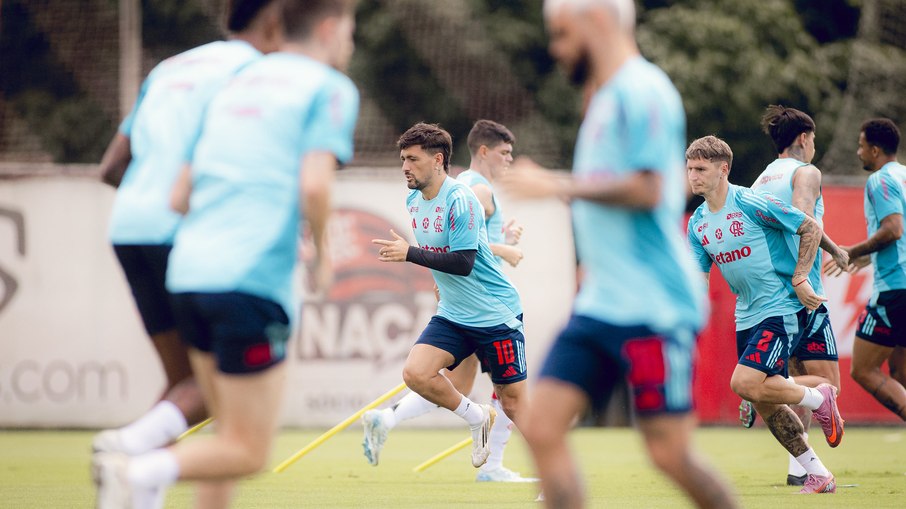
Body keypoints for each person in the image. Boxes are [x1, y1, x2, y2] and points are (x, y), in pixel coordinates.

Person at [92, 1, 359, 507]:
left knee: (222, 431)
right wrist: (321, 259)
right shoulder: (329, 87)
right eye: (351, 29)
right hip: (249, 281)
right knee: (247, 451)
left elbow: (179, 196)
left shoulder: (232, 84)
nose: (351, 41)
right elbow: (316, 187)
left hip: (189, 274)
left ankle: (139, 460)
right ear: (328, 28)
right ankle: (137, 465)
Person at [499, 1, 738, 507]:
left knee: (669, 453)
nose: (555, 47)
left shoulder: (642, 90)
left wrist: (556, 184)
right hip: (603, 303)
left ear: (598, 21)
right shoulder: (601, 97)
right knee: (541, 426)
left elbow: (652, 189)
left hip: (651, 306)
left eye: (562, 33)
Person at [93, 0, 285, 458]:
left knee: (185, 384)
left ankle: (132, 477)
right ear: (276, 21)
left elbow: (111, 166)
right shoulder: (257, 74)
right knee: (217, 383)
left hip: (130, 226)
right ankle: (126, 454)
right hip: (187, 237)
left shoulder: (168, 69)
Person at [362, 120, 534, 483]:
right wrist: (433, 281)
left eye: (412, 159)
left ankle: (555, 478)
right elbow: (437, 255)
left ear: (438, 160)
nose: (405, 167)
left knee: (516, 404)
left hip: (495, 314)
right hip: (455, 313)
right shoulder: (413, 199)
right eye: (402, 159)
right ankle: (477, 418)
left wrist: (409, 253)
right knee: (415, 373)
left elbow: (462, 261)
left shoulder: (462, 198)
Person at [686, 135, 844, 495]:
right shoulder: (697, 224)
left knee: (743, 384)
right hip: (747, 316)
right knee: (765, 401)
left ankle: (820, 398)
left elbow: (810, 227)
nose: (693, 176)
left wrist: (801, 276)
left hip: (779, 308)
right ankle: (818, 474)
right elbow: (698, 279)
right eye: (690, 168)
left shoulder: (752, 202)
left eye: (701, 169)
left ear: (723, 169)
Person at [747, 105, 849, 486]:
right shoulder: (806, 172)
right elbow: (803, 219)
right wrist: (802, 276)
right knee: (827, 388)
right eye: (815, 138)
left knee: (793, 381)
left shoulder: (758, 182)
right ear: (804, 138)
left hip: (767, 299)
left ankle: (799, 470)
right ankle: (755, 385)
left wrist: (835, 248)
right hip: (801, 296)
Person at [825, 118, 906, 421]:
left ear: (874, 150)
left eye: (860, 146)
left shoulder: (880, 180)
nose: (858, 152)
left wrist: (850, 251)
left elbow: (894, 230)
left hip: (895, 289)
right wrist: (869, 258)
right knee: (899, 373)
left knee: (863, 369)